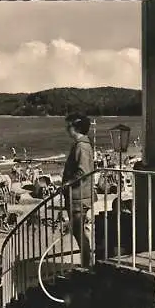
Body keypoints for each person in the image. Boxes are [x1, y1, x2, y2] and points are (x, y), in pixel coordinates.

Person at [61, 113, 97, 268]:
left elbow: (83, 171)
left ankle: (87, 265)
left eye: (68, 126)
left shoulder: (81, 146)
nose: (66, 130)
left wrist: (68, 183)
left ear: (74, 128)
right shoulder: (82, 145)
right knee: (79, 231)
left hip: (78, 198)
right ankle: (86, 263)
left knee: (79, 231)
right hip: (79, 196)